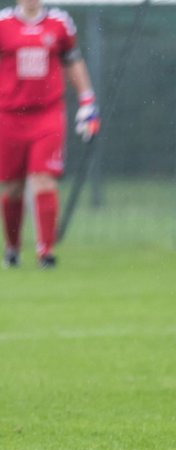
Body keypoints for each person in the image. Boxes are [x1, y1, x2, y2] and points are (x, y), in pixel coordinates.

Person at [0, 0, 98, 269]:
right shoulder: (3, 24)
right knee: (12, 186)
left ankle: (46, 251)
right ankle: (12, 248)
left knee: (44, 179)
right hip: (9, 115)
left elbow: (73, 61)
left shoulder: (59, 23)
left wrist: (87, 101)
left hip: (47, 114)